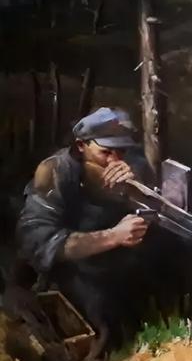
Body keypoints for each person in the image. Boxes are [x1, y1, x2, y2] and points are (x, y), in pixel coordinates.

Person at [15, 108, 164, 352]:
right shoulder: (55, 170)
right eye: (105, 152)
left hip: (123, 271)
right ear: (81, 145)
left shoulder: (133, 163)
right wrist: (113, 236)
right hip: (73, 273)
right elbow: (38, 240)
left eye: (121, 151)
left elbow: (157, 211)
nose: (115, 160)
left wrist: (134, 190)